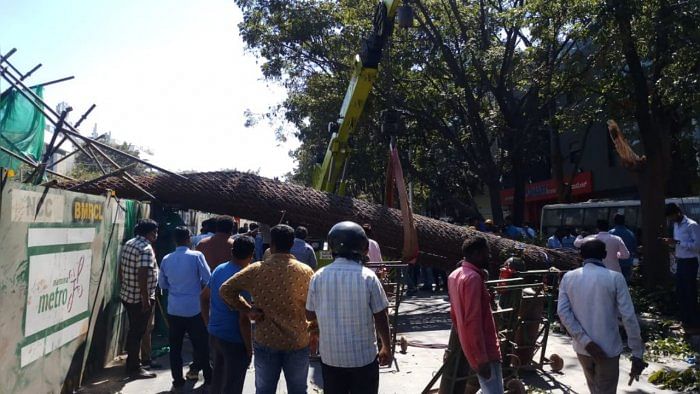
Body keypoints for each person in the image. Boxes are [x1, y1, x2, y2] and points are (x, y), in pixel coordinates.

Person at [219, 224, 315, 394]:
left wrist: (247, 309)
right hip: (298, 341)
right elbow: (314, 306)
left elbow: (225, 289)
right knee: (299, 390)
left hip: (266, 340)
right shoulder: (306, 272)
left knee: (264, 390)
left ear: (272, 245)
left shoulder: (256, 269)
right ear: (292, 244)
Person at [305, 221, 392, 394]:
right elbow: (381, 315)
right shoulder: (369, 278)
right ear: (364, 249)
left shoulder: (318, 277)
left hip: (331, 358)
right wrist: (387, 347)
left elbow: (309, 314)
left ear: (331, 248)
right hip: (363, 359)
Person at [557, 239, 646, 394]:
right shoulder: (615, 278)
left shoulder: (568, 277)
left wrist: (586, 342)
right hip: (608, 349)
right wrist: (637, 353)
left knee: (594, 389)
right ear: (604, 255)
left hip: (583, 349)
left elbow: (563, 312)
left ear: (580, 255)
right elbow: (629, 317)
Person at [158, 227, 212, 390]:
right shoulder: (196, 256)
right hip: (195, 308)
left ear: (175, 240)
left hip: (174, 309)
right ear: (188, 239)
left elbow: (162, 284)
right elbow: (208, 278)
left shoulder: (167, 258)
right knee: (201, 345)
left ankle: (177, 380)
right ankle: (208, 378)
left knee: (175, 347)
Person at [448, 236, 503, 394]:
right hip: (485, 349)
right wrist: (481, 358)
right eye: (487, 252)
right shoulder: (473, 278)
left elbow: (454, 314)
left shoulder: (455, 275)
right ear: (477, 254)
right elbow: (473, 320)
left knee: (487, 388)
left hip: (471, 346)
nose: (490, 256)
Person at [201, 235, 255, 394]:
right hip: (234, 340)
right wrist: (249, 348)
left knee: (217, 380)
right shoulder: (244, 278)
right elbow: (243, 320)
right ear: (251, 256)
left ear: (232, 251)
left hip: (216, 335)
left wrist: (208, 323)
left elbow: (203, 297)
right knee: (232, 385)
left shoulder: (219, 269)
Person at [119, 219, 159, 379]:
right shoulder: (145, 248)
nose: (156, 235)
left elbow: (121, 268)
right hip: (138, 299)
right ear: (149, 233)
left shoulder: (129, 243)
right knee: (138, 332)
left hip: (127, 295)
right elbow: (142, 273)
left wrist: (124, 286)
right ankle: (134, 368)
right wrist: (145, 298)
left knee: (134, 331)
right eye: (155, 232)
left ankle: (133, 362)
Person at [663, 203, 700, 329]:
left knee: (690, 292)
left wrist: (678, 242)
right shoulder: (675, 225)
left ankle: (694, 322)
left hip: (690, 262)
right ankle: (684, 320)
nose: (670, 220)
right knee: (681, 292)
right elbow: (678, 244)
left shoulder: (692, 225)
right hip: (681, 261)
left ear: (677, 213)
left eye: (671, 216)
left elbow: (697, 246)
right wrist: (672, 244)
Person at [609, 214, 638, 282]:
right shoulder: (630, 234)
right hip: (627, 263)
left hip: (613, 264)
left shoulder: (610, 233)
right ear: (624, 221)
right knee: (625, 283)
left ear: (614, 221)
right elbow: (634, 249)